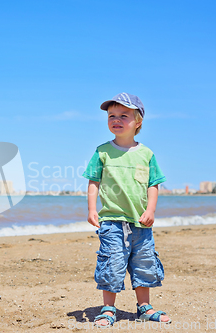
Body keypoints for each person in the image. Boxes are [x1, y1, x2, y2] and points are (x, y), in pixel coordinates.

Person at [82, 92, 171, 327]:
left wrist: (151, 210)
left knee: (144, 263)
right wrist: (92, 208)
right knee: (111, 263)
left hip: (141, 222)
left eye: (124, 115)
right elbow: (93, 181)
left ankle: (144, 307)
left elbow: (153, 184)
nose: (116, 119)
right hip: (111, 220)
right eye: (112, 115)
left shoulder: (146, 154)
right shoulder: (102, 151)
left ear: (138, 121)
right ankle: (108, 309)